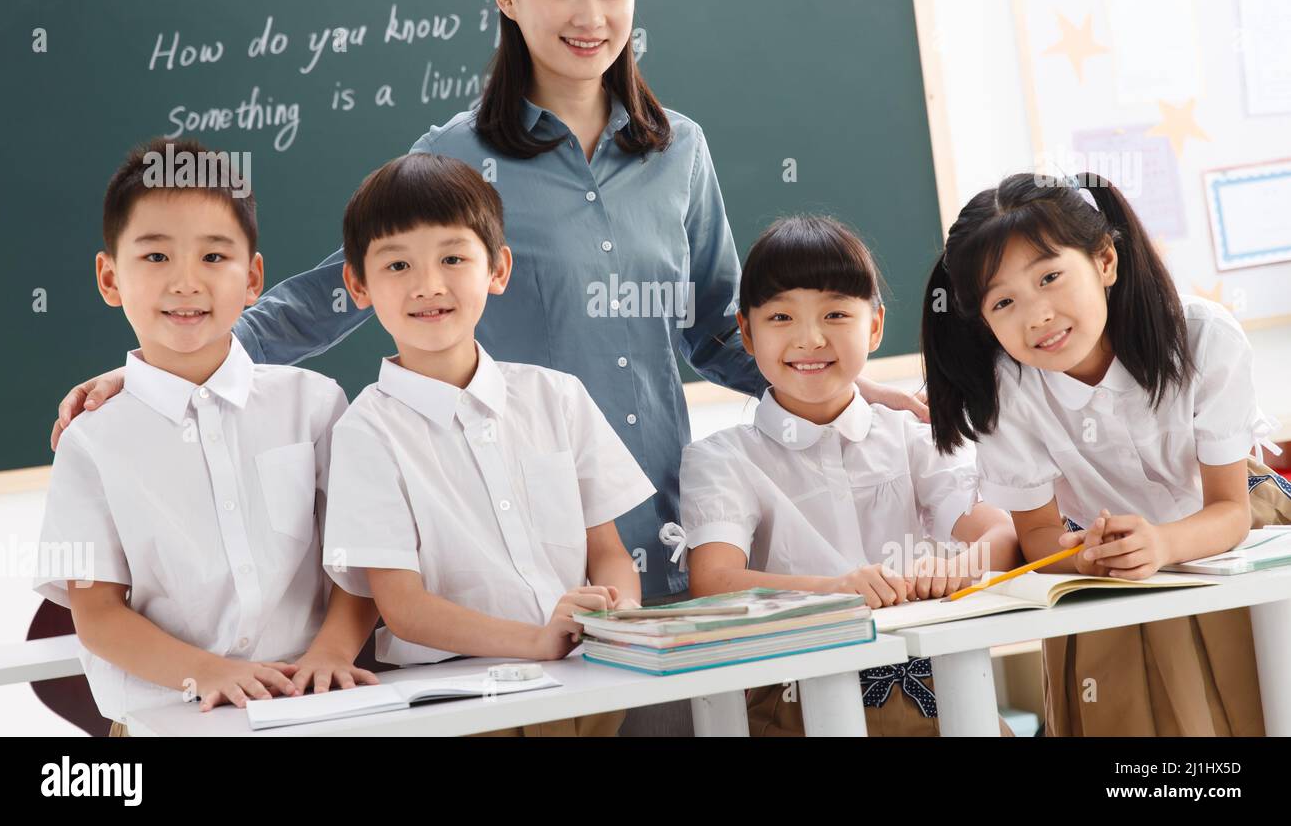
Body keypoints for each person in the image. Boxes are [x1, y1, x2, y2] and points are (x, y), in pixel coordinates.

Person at [49, 0, 926, 604]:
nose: (591, 13)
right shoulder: (454, 157)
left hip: (665, 513)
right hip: (518, 528)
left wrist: (855, 392)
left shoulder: (680, 151)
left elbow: (722, 334)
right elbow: (334, 291)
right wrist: (160, 366)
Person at [921, 171, 1289, 735]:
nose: (1036, 315)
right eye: (1004, 302)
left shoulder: (1202, 337)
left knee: (1259, 698)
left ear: (1105, 262)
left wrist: (1163, 543)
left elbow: (1230, 510)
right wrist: (1086, 559)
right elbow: (1040, 536)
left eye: (1050, 277)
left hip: (1237, 528)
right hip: (1112, 558)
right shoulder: (1005, 392)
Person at [34, 138, 379, 736]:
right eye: (156, 257)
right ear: (110, 278)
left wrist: (330, 653)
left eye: (214, 258)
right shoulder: (90, 442)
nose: (186, 282)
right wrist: (207, 672)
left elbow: (361, 562)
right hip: (166, 723)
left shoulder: (316, 405)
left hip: (313, 711)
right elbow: (96, 616)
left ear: (253, 279)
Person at [322, 152, 655, 736]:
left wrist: (619, 614)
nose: (428, 285)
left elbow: (607, 554)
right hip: (461, 703)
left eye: (453, 258)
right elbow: (403, 607)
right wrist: (536, 641)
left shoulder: (559, 397)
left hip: (586, 682)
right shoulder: (366, 432)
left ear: (497, 269)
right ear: (358, 284)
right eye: (397, 266)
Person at [679, 216, 1018, 736]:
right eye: (781, 318)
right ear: (745, 332)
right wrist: (838, 590)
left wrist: (960, 568)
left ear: (876, 326)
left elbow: (1000, 534)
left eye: (836, 313)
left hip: (939, 696)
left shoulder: (912, 434)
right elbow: (714, 583)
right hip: (797, 707)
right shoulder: (722, 458)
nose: (810, 338)